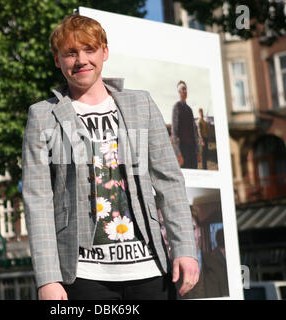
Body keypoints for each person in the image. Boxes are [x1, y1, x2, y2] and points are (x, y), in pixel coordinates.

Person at [22, 14, 199, 300]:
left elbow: (169, 181)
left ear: (104, 52)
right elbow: (37, 199)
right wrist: (47, 279)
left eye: (89, 50)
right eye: (70, 53)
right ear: (58, 60)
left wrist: (185, 250)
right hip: (83, 276)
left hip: (151, 268)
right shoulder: (43, 115)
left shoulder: (140, 103)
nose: (81, 60)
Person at [171, 81, 201, 169]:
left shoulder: (190, 110)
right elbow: (174, 132)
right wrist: (178, 154)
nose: (185, 91)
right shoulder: (176, 107)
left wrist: (198, 151)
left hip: (192, 149)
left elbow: (194, 131)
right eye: (183, 89)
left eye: (186, 89)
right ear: (179, 91)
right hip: (183, 149)